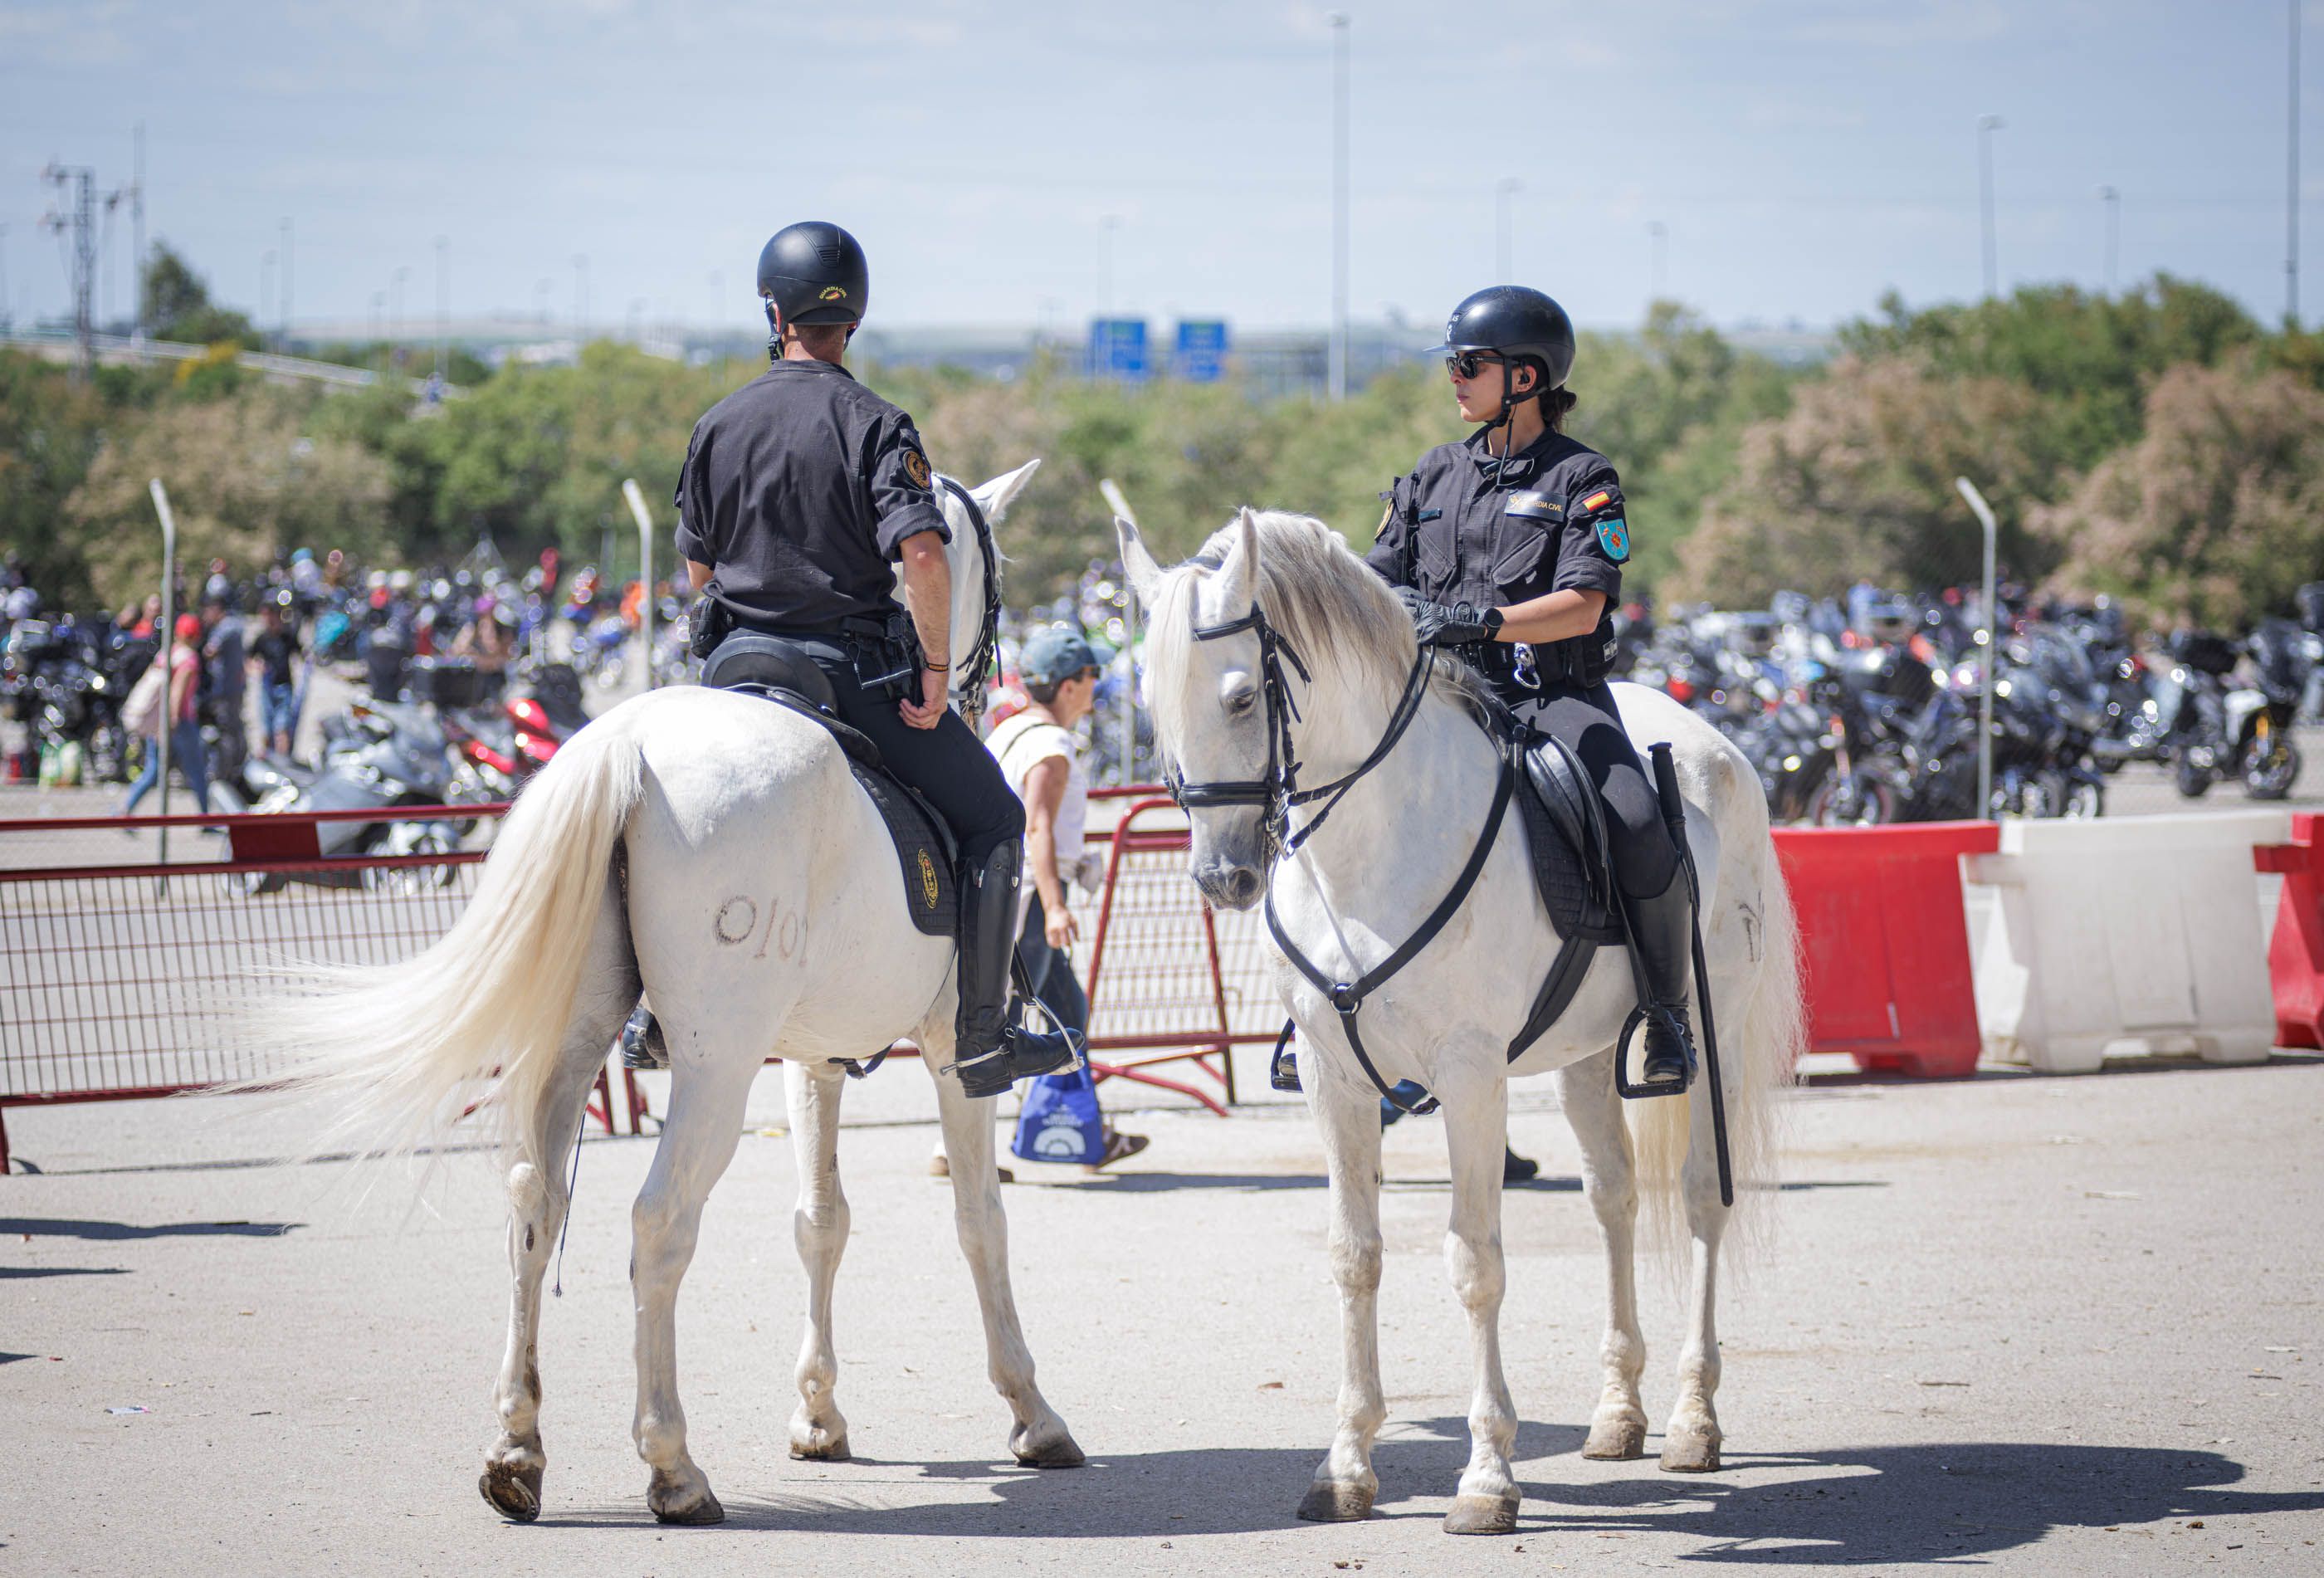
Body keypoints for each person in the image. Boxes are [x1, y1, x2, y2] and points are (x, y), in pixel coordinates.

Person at [654, 219, 1076, 1100]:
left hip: (732, 669)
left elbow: (695, 569)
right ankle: (983, 1033)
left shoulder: (719, 422)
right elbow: (923, 554)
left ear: (773, 311)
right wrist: (930, 667)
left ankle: (645, 1006)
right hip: (845, 678)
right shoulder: (874, 422)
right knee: (996, 819)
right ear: (854, 319)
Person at [1366, 285, 1698, 1094]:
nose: (1454, 378)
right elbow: (1374, 585)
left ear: (1525, 376)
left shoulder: (1582, 475)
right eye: (1452, 363)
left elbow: (1584, 602)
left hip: (1552, 697)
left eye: (1468, 364)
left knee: (1636, 818)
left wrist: (1480, 619)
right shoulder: (1430, 474)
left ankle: (1663, 1013)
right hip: (1445, 698)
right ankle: (1323, 1006)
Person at [984, 627, 1148, 1170]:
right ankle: (962, 1147)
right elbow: (1038, 828)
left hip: (1006, 896)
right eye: (1090, 674)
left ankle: (1085, 1130)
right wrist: (1055, 906)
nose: (1097, 683)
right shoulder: (1050, 748)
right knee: (1000, 1027)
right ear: (1069, 685)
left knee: (1066, 1014)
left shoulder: (1014, 730)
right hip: (1028, 903)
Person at [124, 613, 209, 817]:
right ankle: (207, 818)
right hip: (179, 722)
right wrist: (172, 722)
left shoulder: (168, 653)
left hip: (160, 721)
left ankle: (124, 810)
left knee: (153, 770)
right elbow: (178, 691)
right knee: (197, 771)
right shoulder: (189, 658)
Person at [249, 591, 300, 759]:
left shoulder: (288, 636)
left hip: (284, 687)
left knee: (282, 729)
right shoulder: (261, 639)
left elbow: (301, 655)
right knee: (265, 728)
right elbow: (249, 659)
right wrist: (257, 667)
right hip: (267, 688)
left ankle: (282, 762)